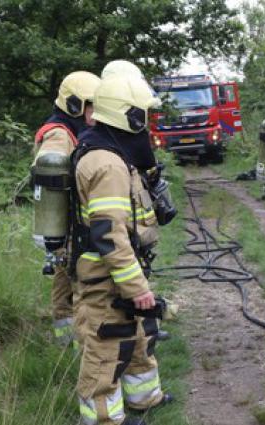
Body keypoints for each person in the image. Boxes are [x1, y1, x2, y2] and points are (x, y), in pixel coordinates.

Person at [71, 74, 171, 425]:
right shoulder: (107, 164)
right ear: (130, 117)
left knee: (137, 338)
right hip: (107, 279)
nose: (149, 123)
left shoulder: (111, 152)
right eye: (145, 115)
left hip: (120, 273)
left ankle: (145, 398)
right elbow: (109, 234)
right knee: (105, 350)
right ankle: (103, 419)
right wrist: (138, 288)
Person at [33, 71, 101, 347]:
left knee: (63, 279)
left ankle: (66, 342)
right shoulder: (59, 136)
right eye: (91, 106)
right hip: (67, 223)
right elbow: (49, 169)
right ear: (74, 105)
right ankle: (84, 345)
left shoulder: (67, 129)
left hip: (63, 224)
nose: (95, 113)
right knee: (78, 283)